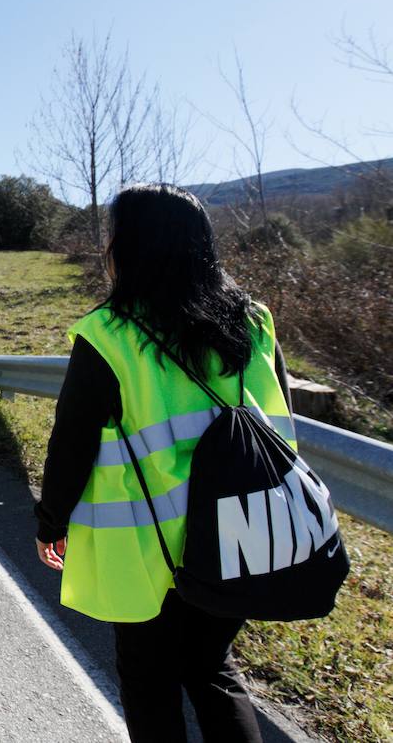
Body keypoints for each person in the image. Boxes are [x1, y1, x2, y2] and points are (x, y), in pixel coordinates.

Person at [34, 184, 293, 742]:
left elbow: (71, 443)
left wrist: (52, 521)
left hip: (149, 548)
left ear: (129, 246)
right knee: (212, 667)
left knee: (149, 678)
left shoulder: (108, 333)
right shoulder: (255, 321)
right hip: (241, 533)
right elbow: (278, 421)